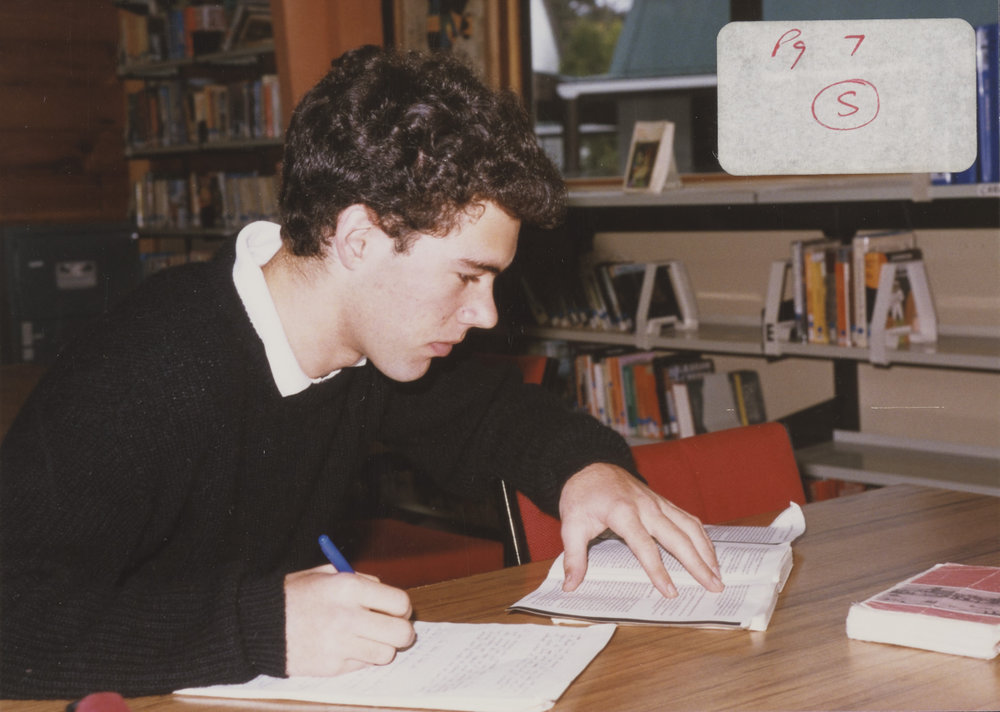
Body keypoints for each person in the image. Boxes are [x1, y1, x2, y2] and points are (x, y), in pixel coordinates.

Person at [0, 45, 722, 699]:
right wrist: (263, 628)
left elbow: (492, 418)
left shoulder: (367, 347)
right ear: (357, 238)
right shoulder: (147, 370)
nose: (488, 315)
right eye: (468, 276)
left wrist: (585, 469)